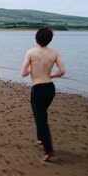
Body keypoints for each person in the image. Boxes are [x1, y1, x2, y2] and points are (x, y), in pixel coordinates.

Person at [21, 27, 66, 161]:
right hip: (50, 88)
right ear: (49, 40)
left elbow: (23, 73)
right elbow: (62, 71)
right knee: (38, 113)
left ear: (36, 38)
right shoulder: (54, 53)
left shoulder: (30, 52)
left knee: (41, 119)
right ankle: (40, 138)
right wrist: (51, 75)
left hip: (38, 88)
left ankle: (48, 150)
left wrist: (30, 70)